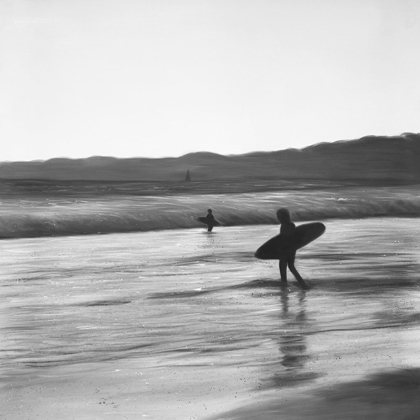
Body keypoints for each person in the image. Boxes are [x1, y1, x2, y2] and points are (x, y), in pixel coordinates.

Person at [277, 208, 308, 289]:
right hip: (288, 250)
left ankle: (286, 283)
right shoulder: (285, 225)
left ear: (286, 217)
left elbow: (290, 238)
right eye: (278, 217)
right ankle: (300, 283)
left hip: (288, 250)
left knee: (287, 266)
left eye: (280, 217)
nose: (279, 219)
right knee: (287, 266)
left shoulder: (290, 225)